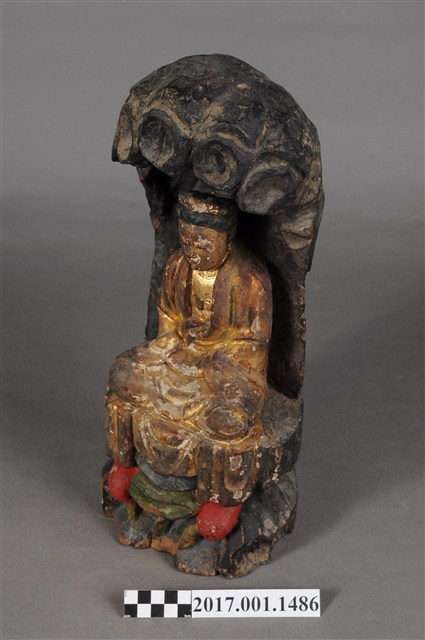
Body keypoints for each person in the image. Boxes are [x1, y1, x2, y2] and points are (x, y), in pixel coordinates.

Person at [105, 191, 272, 542]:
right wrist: (169, 346)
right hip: (178, 364)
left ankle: (218, 503)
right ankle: (128, 467)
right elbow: (167, 321)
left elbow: (251, 346)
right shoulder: (178, 266)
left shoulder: (248, 279)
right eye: (187, 239)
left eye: (204, 242)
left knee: (228, 422)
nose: (193, 249)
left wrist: (209, 360)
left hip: (223, 376)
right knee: (123, 376)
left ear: (226, 241)